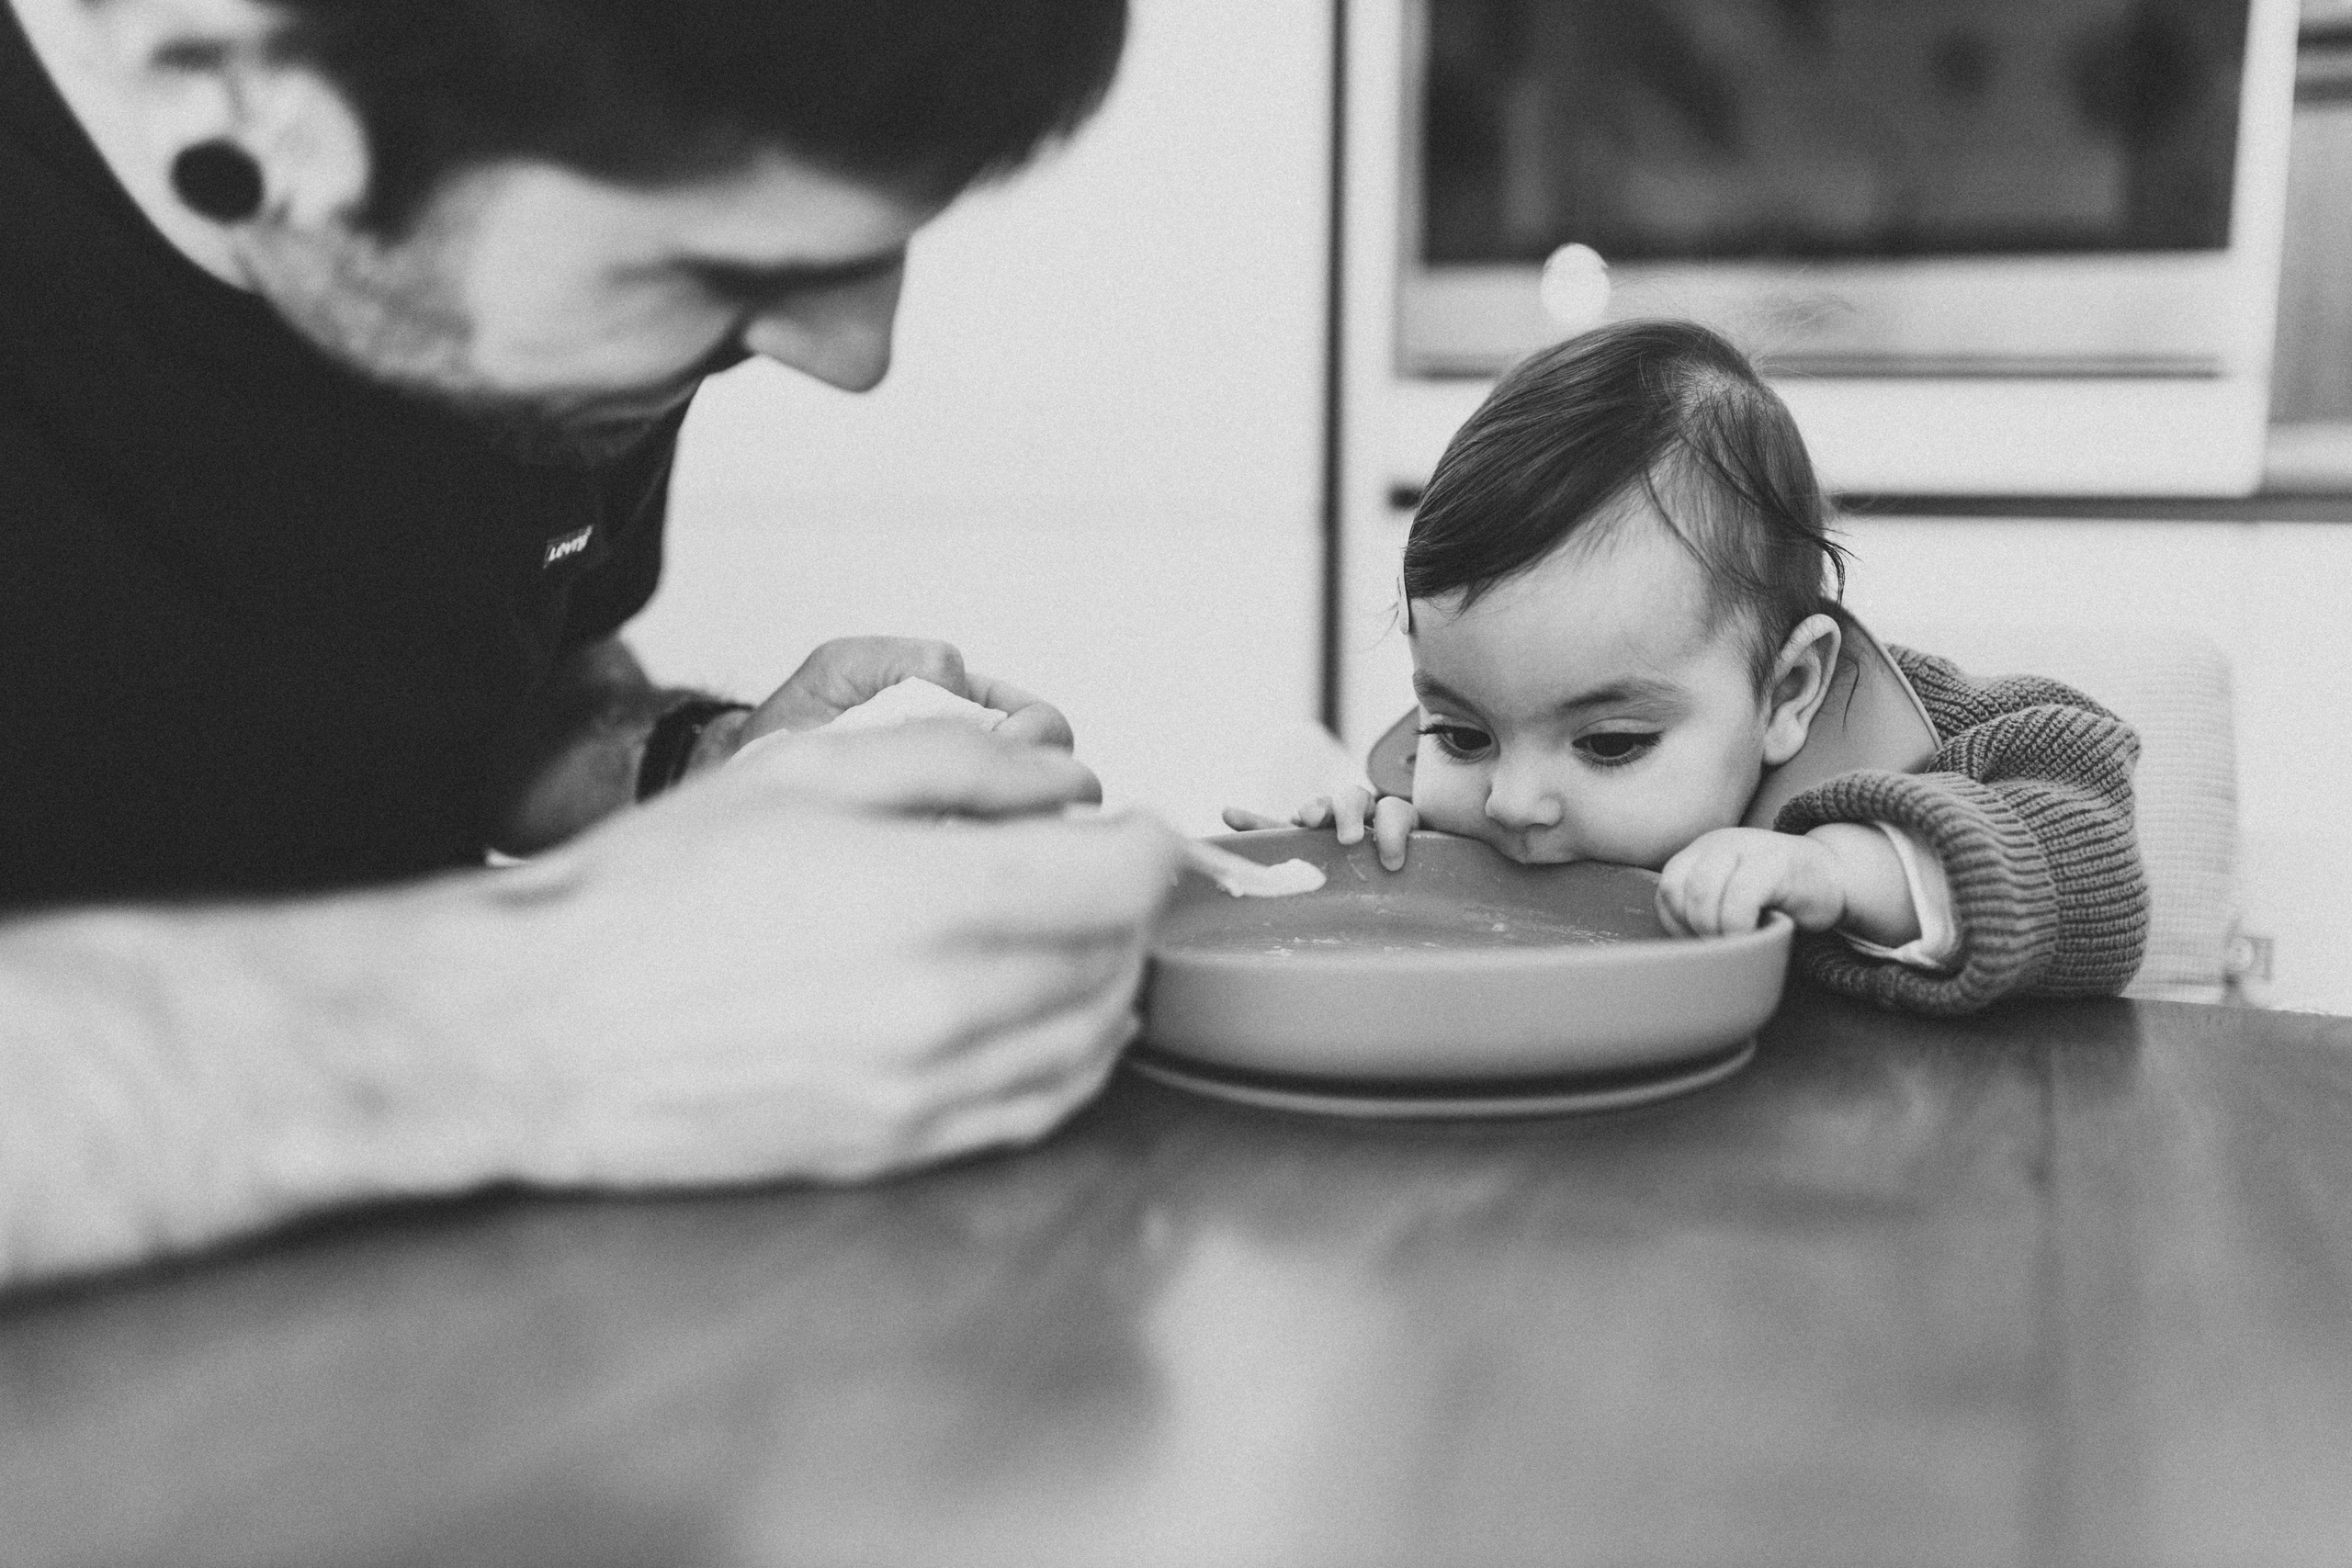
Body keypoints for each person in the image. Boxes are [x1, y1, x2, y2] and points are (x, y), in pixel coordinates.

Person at [0, 0, 1182, 1286]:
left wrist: (696, 768)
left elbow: (488, 689)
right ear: (231, 92)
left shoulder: (549, 325)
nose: (856, 361)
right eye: (730, 275)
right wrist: (526, 1017)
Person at [1228, 321, 2149, 1015]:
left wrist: (1841, 871)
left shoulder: (1914, 738)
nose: (1512, 803)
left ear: (1787, 691)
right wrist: (1361, 863)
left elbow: (2093, 850)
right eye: (1463, 733)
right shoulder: (1476, 801)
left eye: (1610, 743)